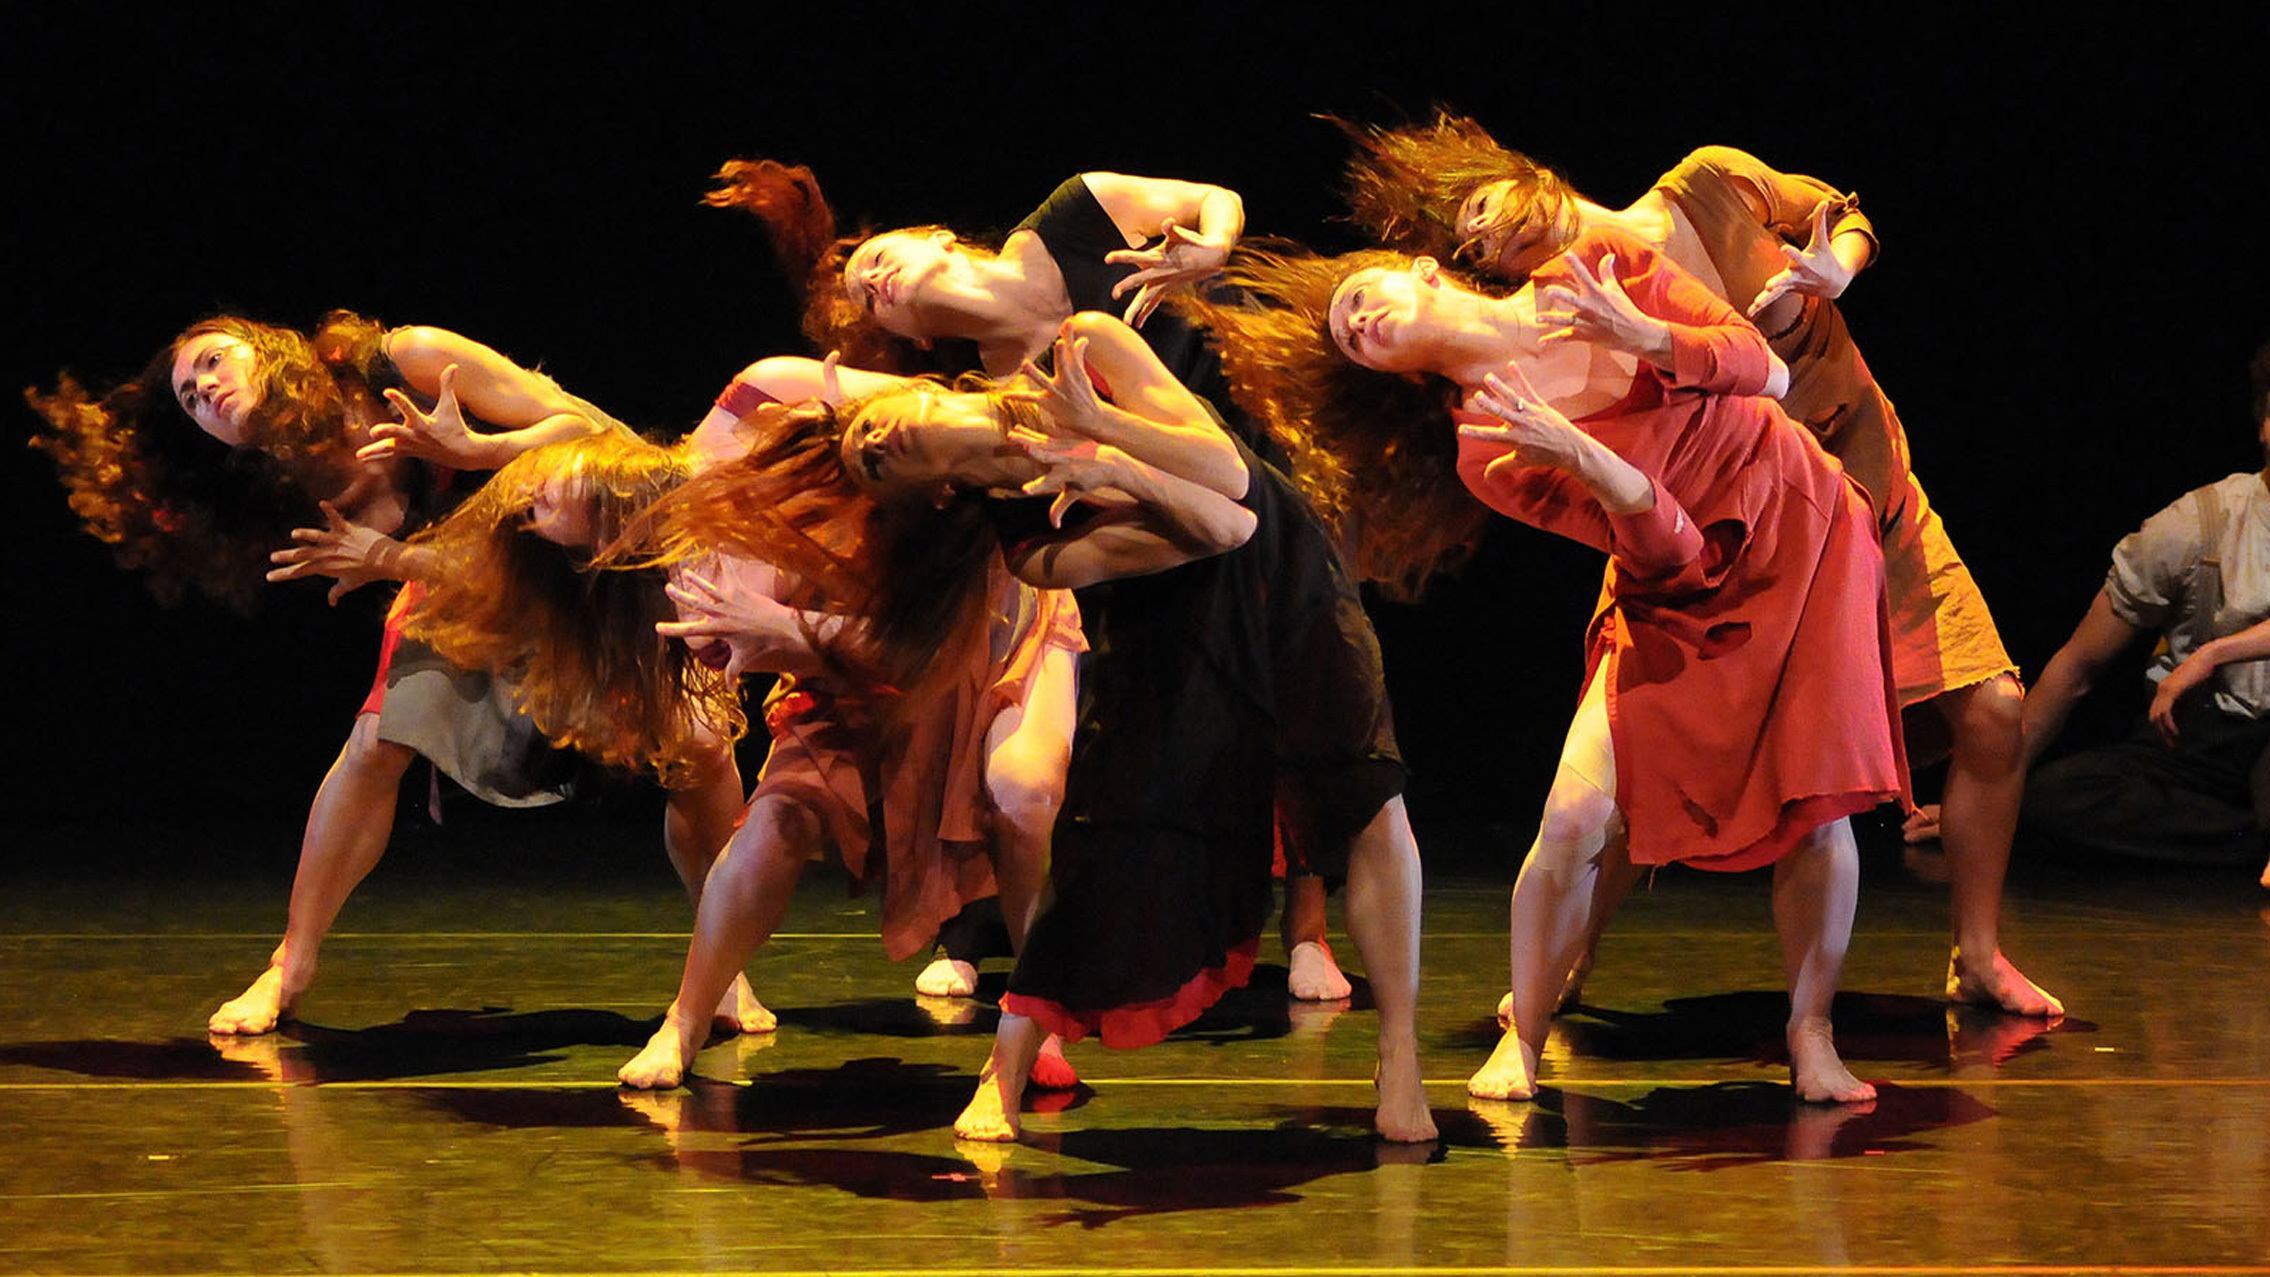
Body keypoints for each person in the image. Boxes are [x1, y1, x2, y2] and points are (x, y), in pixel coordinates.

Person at [1333, 116, 2056, 1017]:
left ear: (1529, 172)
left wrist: (1842, 264)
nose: (1490, 234)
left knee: (1992, 712)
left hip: (1855, 499)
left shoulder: (1706, 184)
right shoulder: (1562, 308)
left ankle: (1976, 954)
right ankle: (1561, 969)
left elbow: (1836, 213)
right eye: (1472, 242)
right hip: (1705, 540)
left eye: (1486, 205)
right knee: (1631, 778)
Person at [662, 315, 1434, 1142]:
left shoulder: (1084, 345)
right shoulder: (1029, 542)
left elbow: (1233, 479)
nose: (874, 435)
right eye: (876, 462)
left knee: (1367, 804)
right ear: (938, 493)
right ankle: (1007, 1071)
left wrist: (1098, 431)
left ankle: (1401, 1048)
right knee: (1095, 857)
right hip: (1174, 644)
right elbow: (1220, 526)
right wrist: (1101, 466)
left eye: (867, 432)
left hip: (1292, 588)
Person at [1190, 233, 1904, 1103]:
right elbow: (1668, 561)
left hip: (1802, 532)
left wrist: (1643, 335)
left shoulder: (1598, 267)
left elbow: (1769, 373)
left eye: (1360, 296)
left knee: (1815, 807)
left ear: (1424, 269)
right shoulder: (1486, 447)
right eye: (1349, 334)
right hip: (1677, 587)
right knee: (1573, 813)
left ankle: (1811, 1030)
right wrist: (1593, 465)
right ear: (1394, 375)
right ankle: (1523, 1035)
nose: (1361, 319)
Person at [712, 160, 1357, 999]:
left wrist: (1213, 247)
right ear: (909, 335)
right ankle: (996, 926)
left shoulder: (1073, 216)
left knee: (1308, 675)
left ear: (937, 235)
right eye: (871, 297)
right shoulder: (993, 383)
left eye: (879, 259)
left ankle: (1308, 927)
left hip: (1258, 423)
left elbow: (1211, 198)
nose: (876, 280)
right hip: (1169, 492)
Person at [27, 313, 761, 1035]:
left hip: (603, 550)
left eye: (213, 362)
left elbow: (598, 438)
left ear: (265, 345)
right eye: (190, 399)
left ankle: (725, 967)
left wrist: (476, 450)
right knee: (380, 738)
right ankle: (292, 962)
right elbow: (477, 578)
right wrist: (387, 560)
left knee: (696, 749)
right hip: (477, 582)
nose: (206, 391)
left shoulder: (405, 361)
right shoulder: (288, 483)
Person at [2021, 342, 2270, 887]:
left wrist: (2216, 650)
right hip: (2205, 744)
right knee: (2047, 800)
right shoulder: (2198, 523)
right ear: (2264, 425)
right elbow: (2078, 666)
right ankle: (2251, 844)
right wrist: (1988, 798)